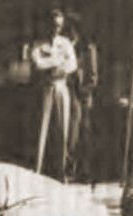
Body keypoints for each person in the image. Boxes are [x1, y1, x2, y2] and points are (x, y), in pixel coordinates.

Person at [30, 8, 77, 181]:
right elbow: (37, 64)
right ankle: (37, 170)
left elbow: (72, 65)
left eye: (58, 26)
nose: (55, 28)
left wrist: (51, 64)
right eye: (52, 25)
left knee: (62, 129)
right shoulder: (39, 44)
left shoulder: (66, 43)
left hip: (61, 87)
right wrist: (58, 61)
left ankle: (61, 173)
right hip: (45, 88)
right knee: (41, 130)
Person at [67, 14, 99, 184]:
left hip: (82, 97)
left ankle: (84, 171)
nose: (70, 33)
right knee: (70, 134)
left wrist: (83, 93)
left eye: (72, 29)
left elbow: (93, 77)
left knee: (83, 135)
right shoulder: (67, 46)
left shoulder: (87, 48)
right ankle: (70, 169)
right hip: (69, 94)